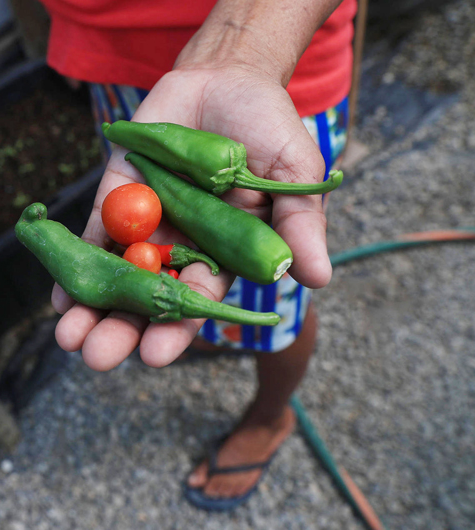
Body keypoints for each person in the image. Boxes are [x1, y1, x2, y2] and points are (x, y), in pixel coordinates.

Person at [37, 0, 358, 511]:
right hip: (124, 70)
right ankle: (215, 335)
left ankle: (271, 415)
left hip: (275, 67)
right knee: (137, 174)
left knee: (281, 299)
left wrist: (243, 48)